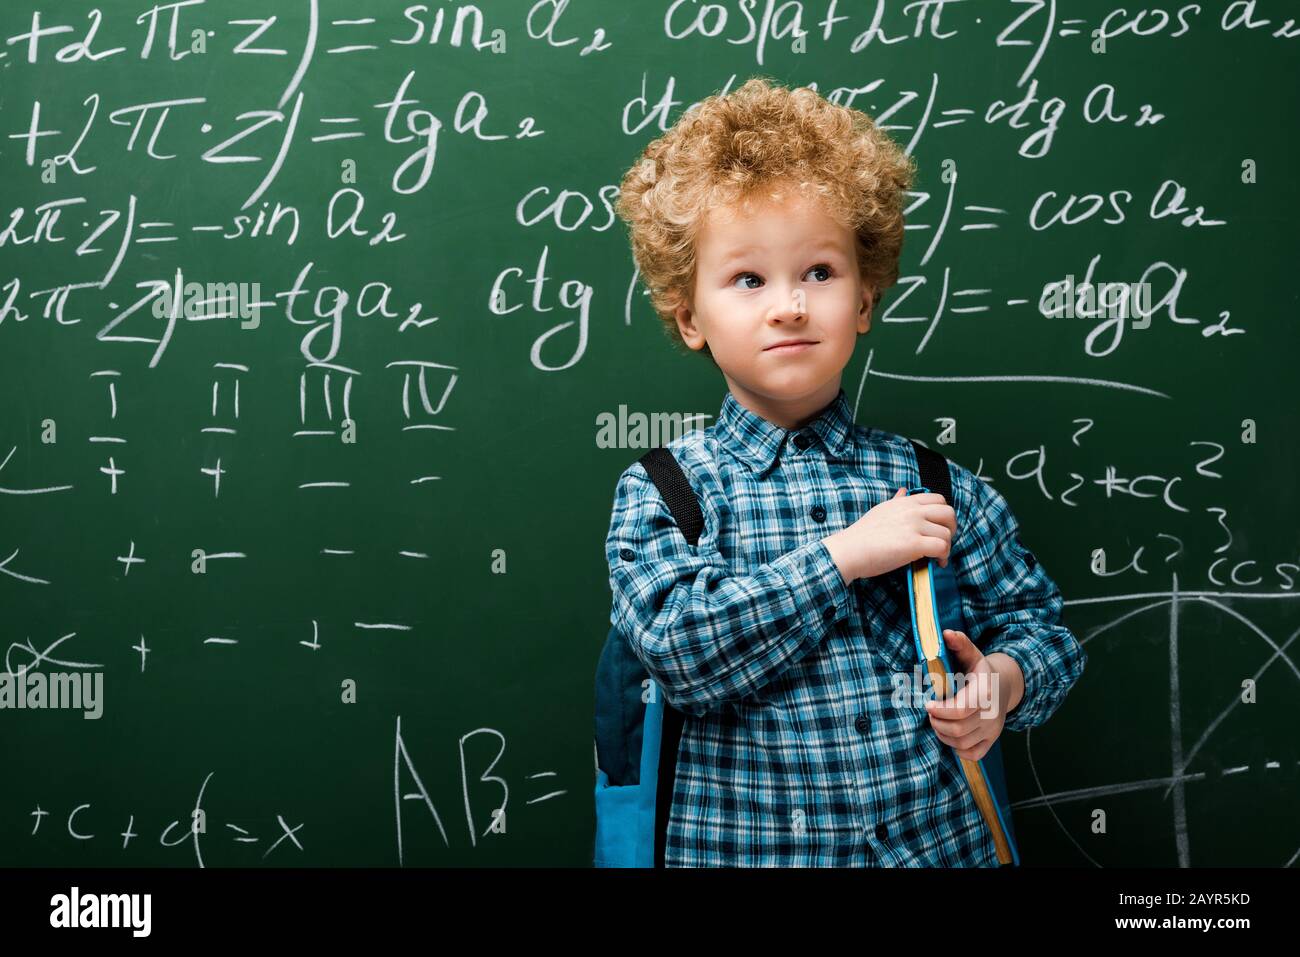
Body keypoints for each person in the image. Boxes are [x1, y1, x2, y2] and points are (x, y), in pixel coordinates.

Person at [605, 76, 1086, 866]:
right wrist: (845, 557)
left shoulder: (935, 483)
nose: (790, 305)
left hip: (937, 847)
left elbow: (1044, 628)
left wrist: (1002, 682)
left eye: (820, 272)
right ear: (690, 316)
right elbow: (681, 653)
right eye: (748, 279)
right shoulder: (666, 492)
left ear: (864, 298)